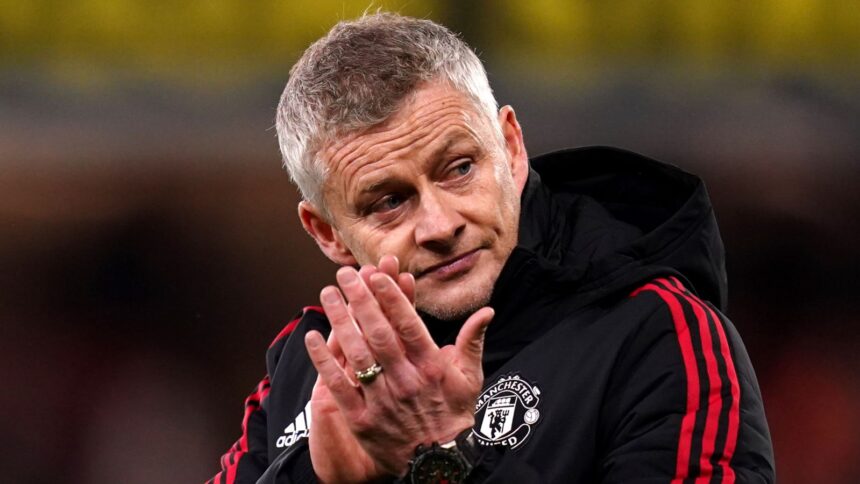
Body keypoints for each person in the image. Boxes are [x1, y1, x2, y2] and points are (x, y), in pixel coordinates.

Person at [208, 13, 774, 484]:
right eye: (389, 202)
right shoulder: (310, 368)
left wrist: (444, 458)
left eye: (459, 168)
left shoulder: (657, 333)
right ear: (327, 233)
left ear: (511, 147)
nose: (439, 225)